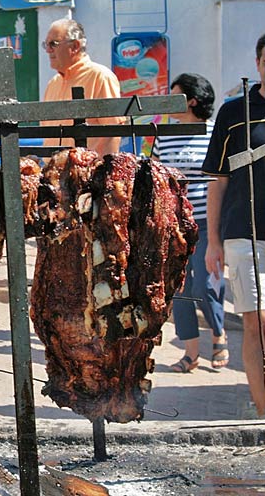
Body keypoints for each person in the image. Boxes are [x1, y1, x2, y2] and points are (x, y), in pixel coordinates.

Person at [203, 32, 265, 416]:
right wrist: (213, 242)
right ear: (259, 63)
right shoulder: (233, 112)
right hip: (245, 235)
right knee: (256, 321)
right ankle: (262, 411)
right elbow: (218, 182)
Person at [151, 73, 228, 372]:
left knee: (207, 285)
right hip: (176, 224)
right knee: (179, 287)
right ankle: (191, 352)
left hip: (207, 222)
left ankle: (219, 334)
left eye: (175, 94)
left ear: (192, 100)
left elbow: (220, 178)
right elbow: (158, 174)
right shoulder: (164, 135)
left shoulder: (212, 132)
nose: (169, 100)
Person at [41, 19, 126, 156]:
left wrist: (103, 174)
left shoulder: (100, 76)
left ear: (75, 46)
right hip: (53, 173)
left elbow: (113, 132)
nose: (48, 50)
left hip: (87, 173)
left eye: (53, 44)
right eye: (46, 44)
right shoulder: (53, 84)